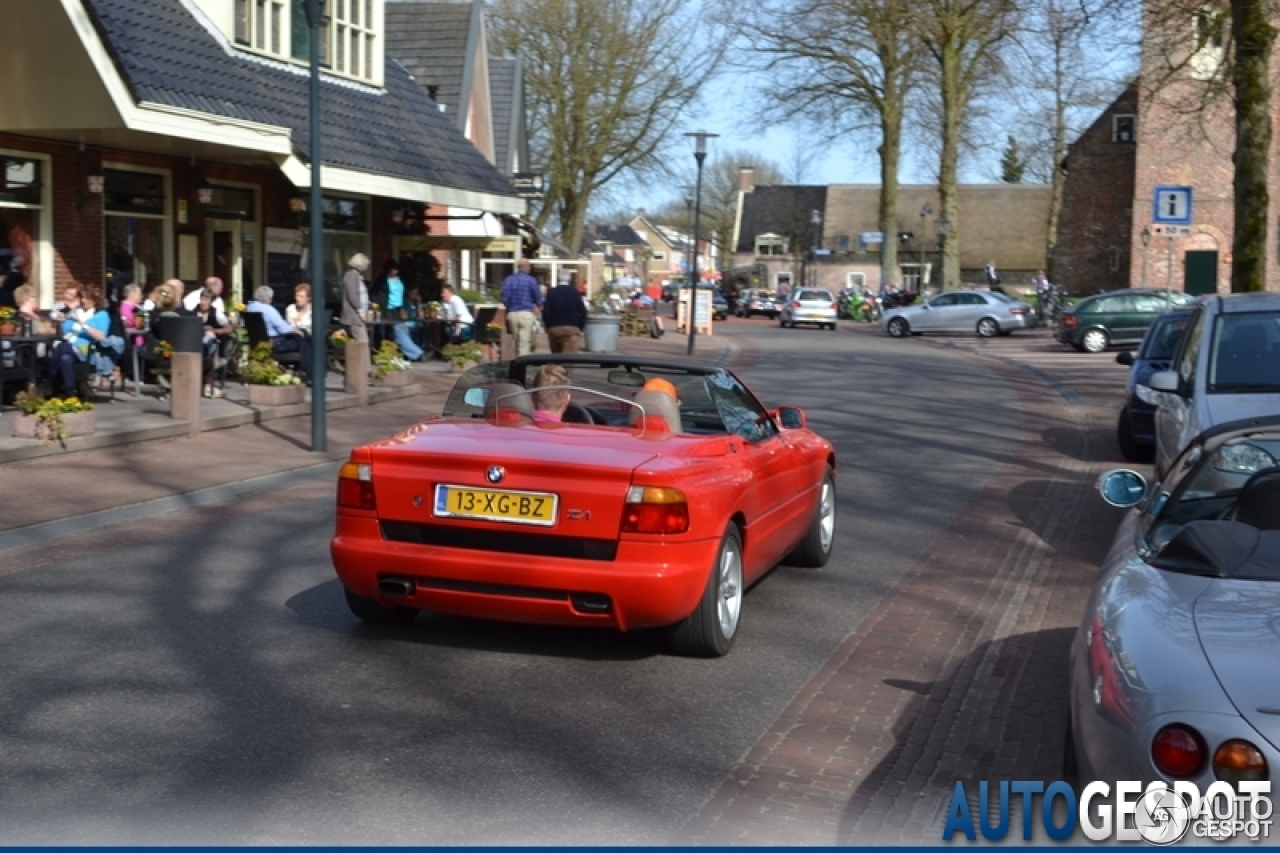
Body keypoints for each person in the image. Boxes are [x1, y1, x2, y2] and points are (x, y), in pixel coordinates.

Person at [49, 284, 122, 394]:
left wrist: (83, 324)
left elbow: (101, 336)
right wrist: (62, 320)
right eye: (82, 297)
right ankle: (70, 390)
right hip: (69, 346)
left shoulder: (101, 315)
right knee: (65, 358)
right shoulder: (74, 312)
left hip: (87, 348)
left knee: (62, 347)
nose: (84, 301)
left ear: (95, 300)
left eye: (87, 298)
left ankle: (50, 377)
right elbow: (65, 329)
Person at [245, 285, 312, 383]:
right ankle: (308, 374)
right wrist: (295, 330)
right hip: (275, 344)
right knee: (306, 342)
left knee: (305, 341)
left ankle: (303, 372)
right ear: (268, 298)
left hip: (257, 344)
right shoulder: (269, 309)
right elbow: (283, 329)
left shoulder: (250, 307)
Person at [378, 263, 424, 361]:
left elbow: (404, 291)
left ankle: (410, 353)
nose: (395, 272)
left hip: (398, 308)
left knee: (401, 329)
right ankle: (415, 353)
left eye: (396, 270)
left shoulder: (400, 279)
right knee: (394, 331)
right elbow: (379, 294)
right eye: (393, 269)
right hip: (388, 309)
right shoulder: (383, 280)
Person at [501, 258, 543, 356]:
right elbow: (537, 297)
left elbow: (504, 298)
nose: (530, 268)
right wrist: (539, 306)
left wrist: (509, 306)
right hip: (526, 313)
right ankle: (522, 366)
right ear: (526, 267)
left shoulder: (509, 280)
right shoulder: (531, 280)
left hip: (512, 314)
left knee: (517, 342)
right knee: (524, 343)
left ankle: (518, 363)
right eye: (529, 266)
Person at [542, 278, 586, 353]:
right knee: (568, 360)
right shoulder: (574, 292)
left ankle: (556, 363)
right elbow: (583, 311)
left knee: (556, 358)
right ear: (569, 280)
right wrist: (580, 327)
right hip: (571, 328)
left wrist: (548, 326)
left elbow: (546, 311)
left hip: (554, 328)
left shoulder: (551, 292)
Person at [341, 253, 370, 340]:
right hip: (354, 318)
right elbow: (353, 297)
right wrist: (361, 312)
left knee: (357, 344)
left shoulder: (356, 276)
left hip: (356, 317)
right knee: (362, 342)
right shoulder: (351, 276)